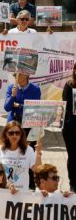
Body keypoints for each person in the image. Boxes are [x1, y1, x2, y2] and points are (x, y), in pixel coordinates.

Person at [0, 121, 42, 191]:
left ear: (21, 135)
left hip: (22, 193)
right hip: (3, 192)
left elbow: (38, 170)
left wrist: (38, 153)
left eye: (17, 133)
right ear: (6, 134)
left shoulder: (29, 150)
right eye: (11, 133)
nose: (14, 136)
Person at [62, 62, 76, 192]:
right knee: (73, 156)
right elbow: (65, 106)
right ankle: (73, 183)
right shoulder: (69, 85)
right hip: (71, 127)